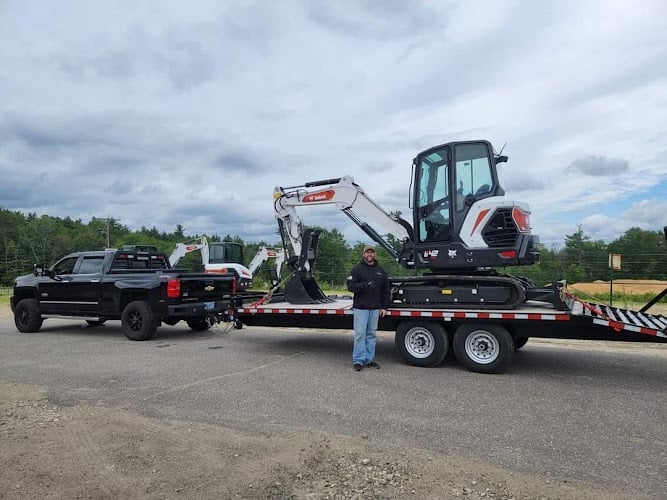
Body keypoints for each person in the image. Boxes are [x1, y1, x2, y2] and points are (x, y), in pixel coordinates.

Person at [346, 244, 390, 371]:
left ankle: (369, 359)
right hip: (361, 308)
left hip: (375, 308)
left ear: (374, 254)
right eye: (367, 252)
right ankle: (358, 360)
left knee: (371, 334)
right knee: (360, 334)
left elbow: (385, 290)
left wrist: (384, 307)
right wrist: (365, 286)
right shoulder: (357, 269)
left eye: (371, 252)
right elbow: (351, 286)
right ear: (363, 254)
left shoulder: (380, 271)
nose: (369, 255)